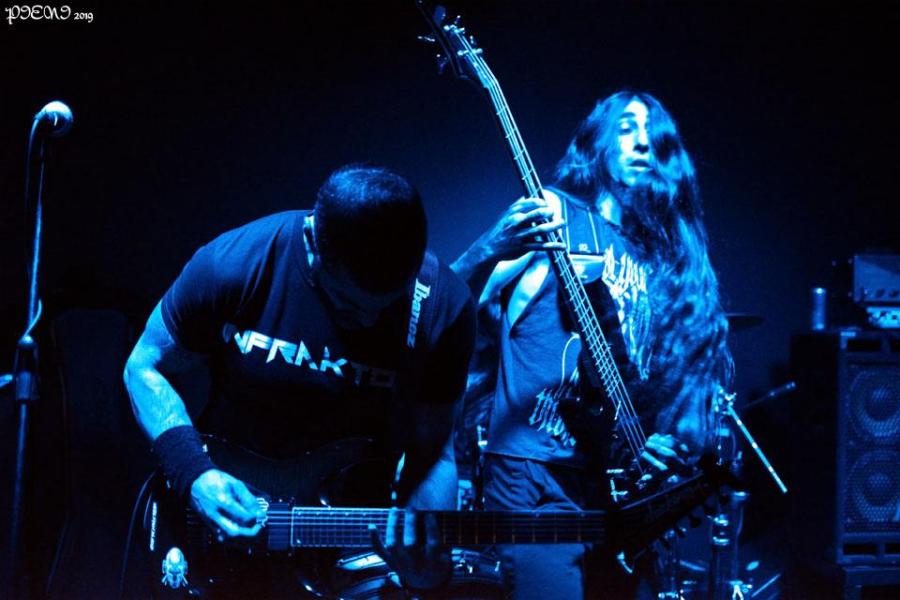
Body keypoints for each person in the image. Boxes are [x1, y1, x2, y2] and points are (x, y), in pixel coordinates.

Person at [124, 164, 475, 596]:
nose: (368, 321)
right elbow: (144, 366)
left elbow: (434, 449)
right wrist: (194, 473)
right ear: (311, 241)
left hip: (342, 544)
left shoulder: (443, 306)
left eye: (385, 306)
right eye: (347, 305)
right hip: (217, 530)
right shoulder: (237, 264)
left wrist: (424, 563)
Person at [451, 91, 734, 599]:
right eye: (626, 128)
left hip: (610, 484)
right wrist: (488, 247)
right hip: (535, 468)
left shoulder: (659, 260)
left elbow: (634, 379)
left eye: (653, 135)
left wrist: (647, 441)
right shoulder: (556, 214)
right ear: (597, 143)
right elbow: (447, 306)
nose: (643, 143)